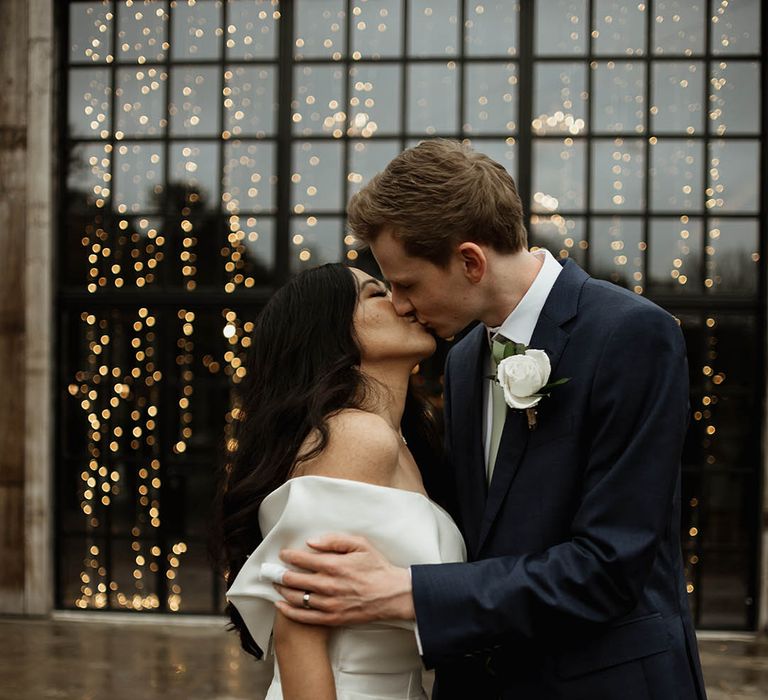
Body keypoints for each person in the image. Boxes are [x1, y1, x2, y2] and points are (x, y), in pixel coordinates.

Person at [274, 140, 708, 699]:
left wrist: (403, 592)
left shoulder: (630, 334)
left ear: (471, 261)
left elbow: (609, 567)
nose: (400, 306)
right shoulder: (461, 360)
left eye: (406, 284)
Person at [213, 262, 466, 700]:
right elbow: (298, 628)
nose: (401, 302)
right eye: (374, 293)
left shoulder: (399, 444)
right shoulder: (354, 436)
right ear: (330, 332)